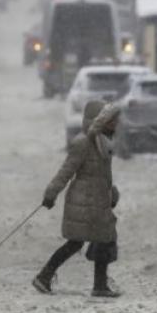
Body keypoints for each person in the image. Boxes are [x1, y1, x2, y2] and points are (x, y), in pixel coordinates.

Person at [34, 101, 122, 298]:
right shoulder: (83, 142)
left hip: (98, 201)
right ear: (100, 121)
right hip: (83, 201)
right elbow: (66, 171)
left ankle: (98, 285)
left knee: (104, 239)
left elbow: (103, 175)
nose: (116, 123)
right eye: (112, 119)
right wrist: (51, 193)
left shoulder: (103, 142)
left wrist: (112, 193)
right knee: (80, 242)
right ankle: (44, 276)